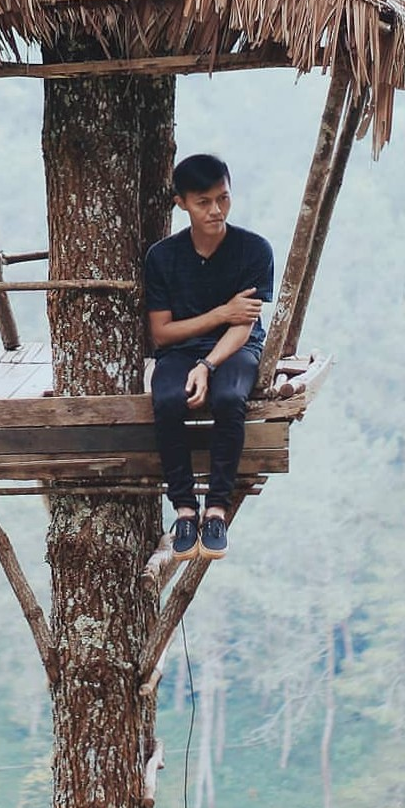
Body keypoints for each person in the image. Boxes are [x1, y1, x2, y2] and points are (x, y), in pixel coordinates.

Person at [144, 154, 273, 560]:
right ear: (182, 202)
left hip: (236, 348)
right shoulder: (163, 257)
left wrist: (208, 365)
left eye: (223, 198)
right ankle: (184, 507)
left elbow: (244, 325)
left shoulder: (253, 249)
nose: (216, 210)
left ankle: (216, 507)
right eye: (204, 202)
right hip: (180, 350)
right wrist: (219, 313)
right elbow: (162, 332)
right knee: (166, 401)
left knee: (229, 399)